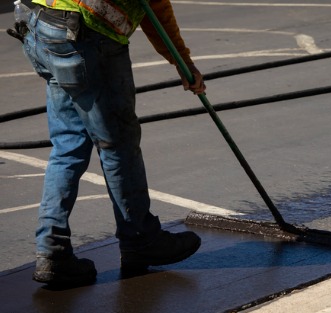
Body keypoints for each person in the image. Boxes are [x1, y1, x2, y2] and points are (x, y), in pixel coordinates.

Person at [7, 0, 206, 286]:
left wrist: (182, 61)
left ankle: (52, 252)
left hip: (44, 25)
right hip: (88, 37)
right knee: (118, 146)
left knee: (68, 146)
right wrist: (184, 62)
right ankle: (140, 239)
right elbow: (157, 9)